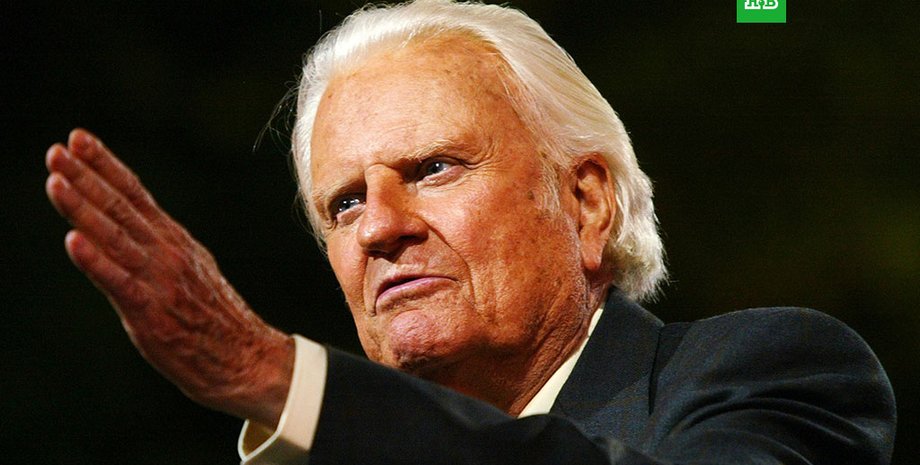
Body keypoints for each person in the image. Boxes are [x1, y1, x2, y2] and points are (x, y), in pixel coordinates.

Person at [45, 0, 895, 463]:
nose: (380, 228)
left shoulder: (776, 373)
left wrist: (274, 374)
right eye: (344, 204)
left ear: (587, 202)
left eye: (433, 168)